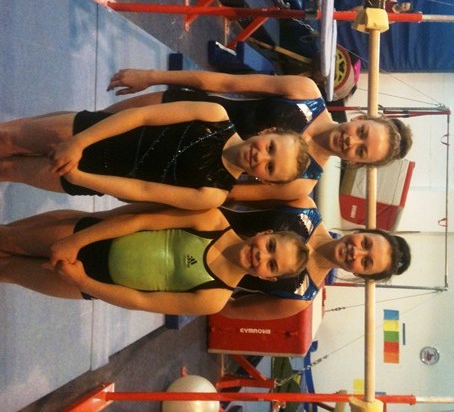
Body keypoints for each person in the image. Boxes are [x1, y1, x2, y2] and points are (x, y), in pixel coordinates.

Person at [105, 69, 413, 199]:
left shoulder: (302, 183)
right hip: (180, 111)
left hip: (170, 168)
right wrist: (153, 76)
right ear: (360, 118)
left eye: (361, 150)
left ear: (357, 163)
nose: (351, 140)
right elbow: (225, 83)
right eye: (361, 132)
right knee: (90, 124)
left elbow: (226, 194)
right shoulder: (305, 93)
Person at [0, 101, 308, 210]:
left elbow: (143, 190)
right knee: (9, 138)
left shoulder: (213, 194)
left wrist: (82, 178)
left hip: (94, 174)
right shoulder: (215, 115)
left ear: (265, 181)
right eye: (271, 147)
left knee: (10, 171)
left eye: (270, 167)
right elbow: (141, 116)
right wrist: (80, 141)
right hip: (95, 132)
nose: (261, 157)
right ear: (268, 131)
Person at [0, 207, 308, 315]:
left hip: (92, 281)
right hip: (91, 237)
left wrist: (83, 282)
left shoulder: (214, 299)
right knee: (8, 239)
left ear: (267, 278)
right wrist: (76, 241)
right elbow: (140, 221)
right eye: (270, 246)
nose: (261, 255)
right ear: (265, 233)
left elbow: (141, 301)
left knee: (8, 270)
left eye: (271, 264)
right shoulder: (212, 220)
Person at [216, 194, 411, 319]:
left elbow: (231, 309)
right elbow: (235, 196)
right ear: (361, 231)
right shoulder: (302, 207)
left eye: (365, 262)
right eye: (365, 243)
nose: (356, 252)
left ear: (360, 275)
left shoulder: (298, 298)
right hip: (203, 221)